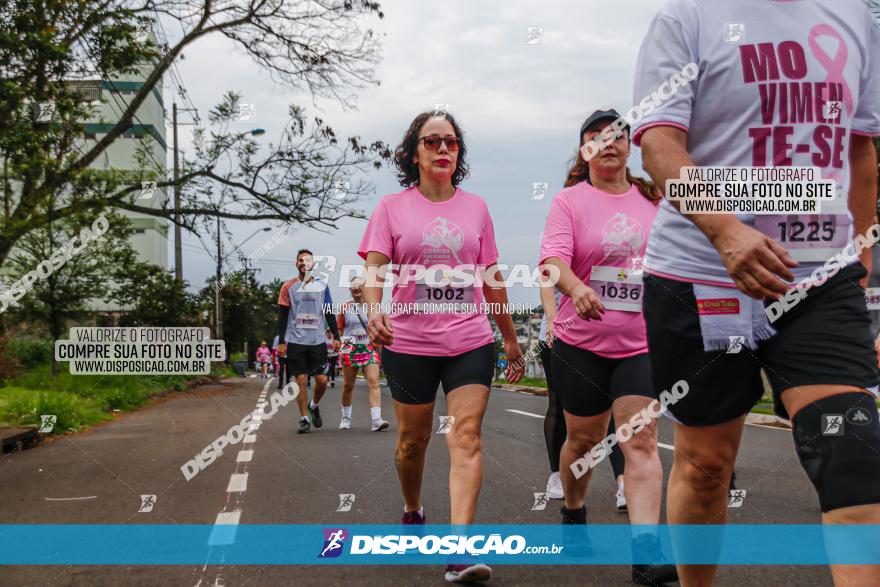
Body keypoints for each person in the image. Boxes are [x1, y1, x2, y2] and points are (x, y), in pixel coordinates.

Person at [633, 1, 880, 584]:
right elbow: (660, 147)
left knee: (854, 453)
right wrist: (725, 230)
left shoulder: (857, 17)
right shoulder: (686, 19)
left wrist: (864, 268)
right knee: (706, 465)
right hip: (701, 276)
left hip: (819, 278)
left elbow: (862, 151)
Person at [359, 110, 524, 584]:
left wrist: (509, 339)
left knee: (466, 436)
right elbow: (373, 272)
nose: (443, 149)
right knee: (414, 441)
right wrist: (374, 312)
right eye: (432, 142)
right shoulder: (392, 207)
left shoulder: (476, 209)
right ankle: (413, 507)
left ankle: (459, 550)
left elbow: (492, 282)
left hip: (469, 340)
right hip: (408, 342)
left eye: (451, 142)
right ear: (414, 152)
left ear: (459, 153)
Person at [539, 109, 676, 585]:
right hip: (581, 345)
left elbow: (677, 256)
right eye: (596, 137)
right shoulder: (570, 201)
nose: (608, 143)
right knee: (583, 440)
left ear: (630, 146)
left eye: (618, 135)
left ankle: (646, 553)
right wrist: (575, 288)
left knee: (639, 441)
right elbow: (553, 258)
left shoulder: (652, 198)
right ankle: (574, 512)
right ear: (585, 151)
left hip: (640, 343)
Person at [277, 249, 342, 434]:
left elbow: (329, 311)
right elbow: (282, 316)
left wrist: (336, 337)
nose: (304, 263)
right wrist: (282, 341)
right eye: (300, 260)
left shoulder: (322, 286)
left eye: (307, 260)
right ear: (296, 263)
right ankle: (304, 418)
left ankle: (313, 405)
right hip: (296, 341)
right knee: (301, 379)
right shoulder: (288, 286)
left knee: (322, 380)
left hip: (318, 341)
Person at [337, 276, 390, 431]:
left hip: (369, 346)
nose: (357, 289)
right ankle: (345, 418)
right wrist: (340, 344)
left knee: (373, 381)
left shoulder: (373, 307)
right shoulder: (345, 308)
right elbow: (339, 328)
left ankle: (376, 420)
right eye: (354, 286)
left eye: (360, 286)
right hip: (349, 347)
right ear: (350, 290)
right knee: (348, 385)